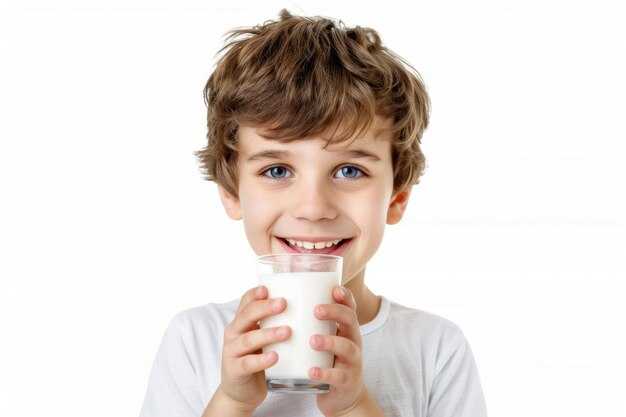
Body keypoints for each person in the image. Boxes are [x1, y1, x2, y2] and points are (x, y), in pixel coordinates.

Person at [140, 9, 487, 417]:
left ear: (397, 198)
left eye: (349, 170)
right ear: (233, 192)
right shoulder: (195, 339)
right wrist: (231, 402)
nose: (313, 208)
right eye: (277, 170)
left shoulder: (435, 348)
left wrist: (355, 405)